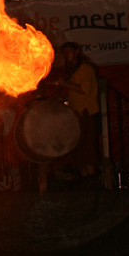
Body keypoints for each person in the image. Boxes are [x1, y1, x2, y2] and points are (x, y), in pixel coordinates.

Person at [56, 42, 100, 179]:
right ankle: (84, 177)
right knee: (78, 147)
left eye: (68, 51)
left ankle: (92, 177)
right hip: (76, 113)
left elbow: (85, 90)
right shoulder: (74, 70)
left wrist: (66, 84)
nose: (66, 55)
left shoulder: (85, 68)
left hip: (86, 112)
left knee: (87, 145)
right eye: (64, 53)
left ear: (77, 52)